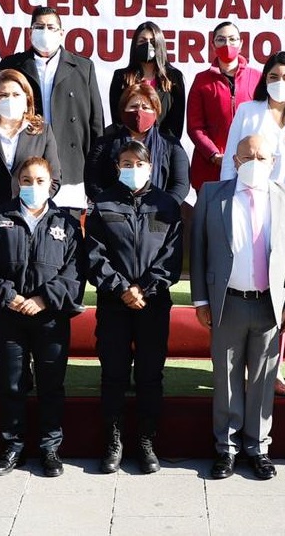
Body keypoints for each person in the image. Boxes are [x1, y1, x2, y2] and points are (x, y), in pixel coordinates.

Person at [191, 134, 285, 481]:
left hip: (270, 303)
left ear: (273, 162)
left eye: (262, 157)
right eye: (247, 156)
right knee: (226, 378)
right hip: (227, 301)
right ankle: (226, 448)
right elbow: (198, 249)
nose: (254, 162)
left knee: (262, 380)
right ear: (235, 161)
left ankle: (258, 447)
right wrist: (200, 299)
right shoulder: (212, 194)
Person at [0, 156, 85, 478]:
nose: (32, 186)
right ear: (17, 183)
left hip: (50, 318)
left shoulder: (67, 223)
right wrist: (9, 296)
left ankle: (50, 448)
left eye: (39, 181)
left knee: (51, 385)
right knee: (12, 383)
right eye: (26, 180)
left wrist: (43, 299)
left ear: (51, 184)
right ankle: (13, 446)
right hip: (8, 316)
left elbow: (75, 273)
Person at [219, 51, 285, 397]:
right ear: (265, 80)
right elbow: (230, 161)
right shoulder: (248, 111)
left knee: (280, 288)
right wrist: (224, 207)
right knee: (249, 283)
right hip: (246, 207)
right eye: (274, 77)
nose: (280, 83)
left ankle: (273, 367)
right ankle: (241, 363)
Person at [85, 140, 183, 475]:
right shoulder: (102, 204)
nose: (133, 169)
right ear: (117, 167)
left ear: (150, 167)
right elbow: (94, 256)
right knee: (113, 373)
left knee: (149, 374)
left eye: (139, 164)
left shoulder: (166, 205)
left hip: (153, 303)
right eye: (126, 163)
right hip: (114, 303)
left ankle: (146, 440)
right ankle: (113, 441)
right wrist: (121, 288)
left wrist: (145, 288)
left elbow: (171, 257)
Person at [0, 6, 103, 212]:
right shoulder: (12, 65)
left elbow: (95, 122)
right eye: (39, 27)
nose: (45, 31)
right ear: (30, 32)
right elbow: (0, 114)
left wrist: (94, 173)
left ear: (61, 33)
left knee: (65, 226)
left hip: (70, 166)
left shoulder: (83, 67)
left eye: (51, 27)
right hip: (24, 161)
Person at [0, 68, 61, 209]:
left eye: (16, 94)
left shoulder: (42, 132)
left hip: (28, 213)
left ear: (27, 100)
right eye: (3, 95)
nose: (10, 100)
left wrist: (33, 204)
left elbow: (54, 178)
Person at [186, 21, 262, 190]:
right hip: (210, 168)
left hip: (249, 166)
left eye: (232, 39)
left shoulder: (257, 78)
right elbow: (195, 126)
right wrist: (214, 155)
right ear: (213, 45)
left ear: (241, 44)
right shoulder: (201, 80)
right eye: (221, 40)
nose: (227, 44)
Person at [84, 83, 190, 204]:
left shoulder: (172, 146)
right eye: (133, 107)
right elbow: (92, 182)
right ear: (123, 111)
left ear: (155, 112)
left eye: (145, 107)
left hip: (159, 212)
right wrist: (110, 207)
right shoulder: (103, 145)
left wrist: (163, 207)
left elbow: (181, 185)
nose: (139, 112)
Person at [108, 21, 186, 139]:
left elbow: (176, 123)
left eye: (153, 41)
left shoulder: (174, 78)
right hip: (130, 145)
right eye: (142, 41)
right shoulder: (121, 77)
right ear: (135, 45)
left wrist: (165, 145)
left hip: (162, 144)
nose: (148, 45)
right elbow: (117, 119)